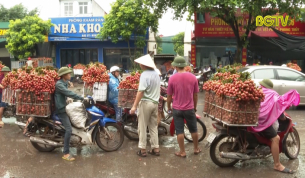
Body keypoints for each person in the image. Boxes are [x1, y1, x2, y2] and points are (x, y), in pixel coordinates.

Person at [248, 79, 300, 174]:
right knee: (276, 138)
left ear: (261, 85)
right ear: (269, 87)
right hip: (262, 121)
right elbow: (278, 104)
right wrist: (282, 116)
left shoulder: (255, 90)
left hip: (250, 118)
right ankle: (277, 165)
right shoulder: (272, 94)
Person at [167, 56, 201, 158]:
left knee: (179, 131)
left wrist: (169, 106)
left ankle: (182, 152)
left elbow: (169, 96)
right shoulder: (193, 77)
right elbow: (195, 95)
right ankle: (196, 149)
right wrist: (194, 107)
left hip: (177, 109)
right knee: (194, 130)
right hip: (189, 108)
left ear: (176, 66)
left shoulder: (172, 78)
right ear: (184, 66)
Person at [130, 54, 160, 157]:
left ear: (144, 65)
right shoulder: (156, 74)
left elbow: (140, 92)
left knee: (142, 127)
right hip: (155, 103)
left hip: (146, 103)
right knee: (153, 127)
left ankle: (142, 150)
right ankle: (156, 149)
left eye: (140, 64)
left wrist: (134, 106)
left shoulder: (144, 75)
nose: (140, 65)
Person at [54, 67, 84, 161]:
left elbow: (68, 93)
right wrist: (81, 98)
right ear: (64, 75)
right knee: (69, 129)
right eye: (68, 74)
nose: (70, 75)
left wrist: (72, 98)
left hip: (65, 106)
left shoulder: (65, 82)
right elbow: (67, 92)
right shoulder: (59, 84)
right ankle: (66, 153)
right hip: (61, 109)